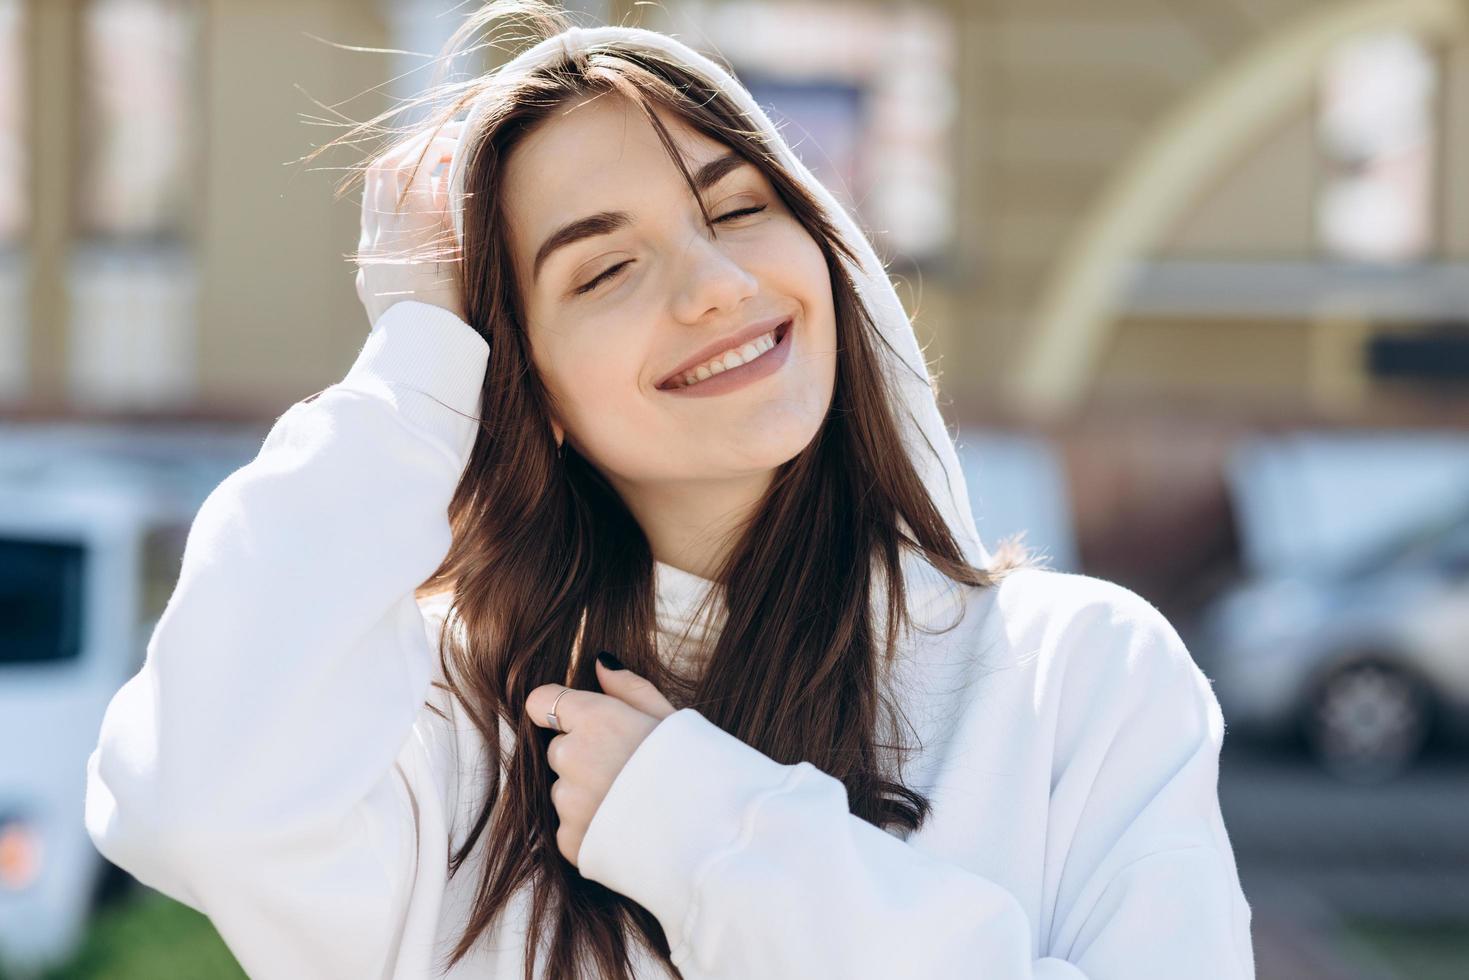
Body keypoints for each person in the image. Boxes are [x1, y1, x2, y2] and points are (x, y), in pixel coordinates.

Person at [83, 4, 1256, 978]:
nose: (713, 284)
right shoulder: (453, 733)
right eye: (603, 268)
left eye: (739, 206)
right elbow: (193, 803)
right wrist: (418, 364)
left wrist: (710, 833)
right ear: (525, 382)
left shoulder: (1076, 676)